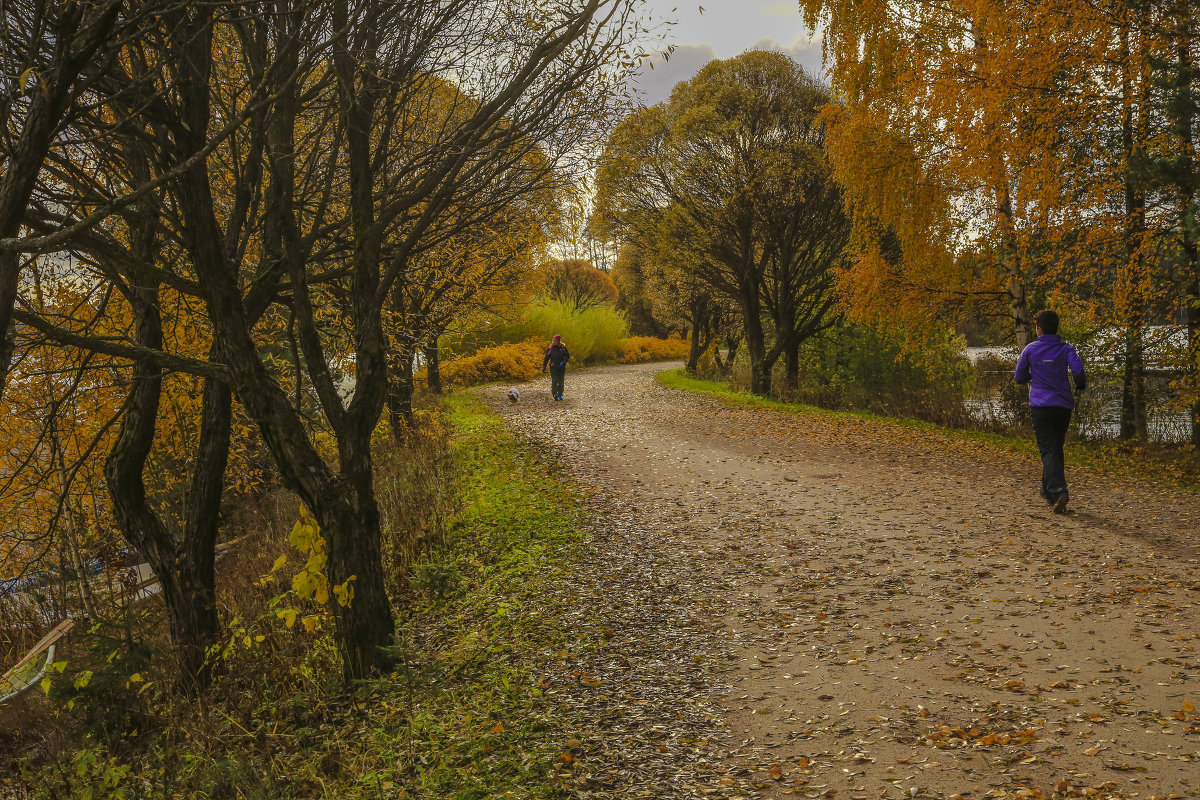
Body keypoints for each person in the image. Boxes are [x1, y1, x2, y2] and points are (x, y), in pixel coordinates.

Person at [1014, 310, 1086, 514]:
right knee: (1055, 447)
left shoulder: (1030, 349)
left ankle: (1058, 490)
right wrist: (1080, 385)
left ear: (1039, 330)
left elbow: (1018, 378)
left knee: (1049, 449)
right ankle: (1048, 492)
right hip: (1062, 406)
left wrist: (1034, 373)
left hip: (1040, 406)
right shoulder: (1066, 349)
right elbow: (1079, 371)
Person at [542, 334, 570, 401]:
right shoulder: (550, 349)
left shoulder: (563, 348)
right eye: (553, 340)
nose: (554, 341)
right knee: (554, 381)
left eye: (555, 340)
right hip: (553, 367)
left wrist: (563, 362)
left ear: (559, 341)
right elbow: (546, 358)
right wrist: (544, 367)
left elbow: (567, 356)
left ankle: (560, 394)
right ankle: (554, 394)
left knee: (560, 381)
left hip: (561, 367)